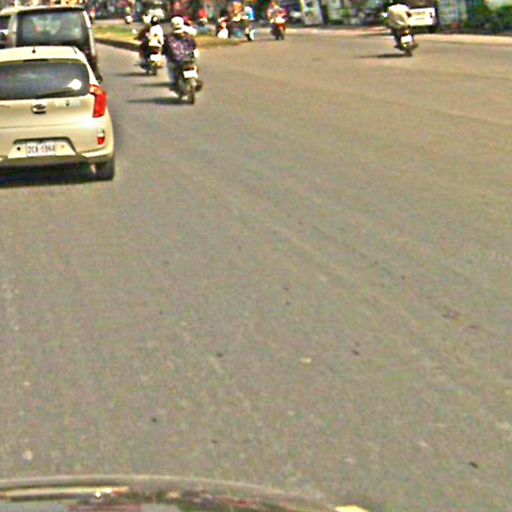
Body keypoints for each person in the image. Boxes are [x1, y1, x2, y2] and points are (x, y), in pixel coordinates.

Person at [164, 16, 197, 89]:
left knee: (170, 67)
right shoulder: (188, 35)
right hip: (189, 58)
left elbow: (166, 48)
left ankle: (173, 82)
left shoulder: (169, 37)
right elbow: (194, 45)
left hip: (176, 60)